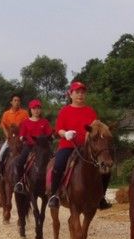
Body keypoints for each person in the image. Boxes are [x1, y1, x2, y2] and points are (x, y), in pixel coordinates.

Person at [47, 81, 111, 209]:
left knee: (106, 168)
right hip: (68, 145)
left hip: (86, 147)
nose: (80, 95)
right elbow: (58, 129)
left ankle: (101, 197)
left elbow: (96, 129)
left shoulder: (90, 111)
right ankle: (54, 195)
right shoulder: (64, 111)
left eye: (82, 92)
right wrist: (66, 134)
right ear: (70, 94)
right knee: (58, 165)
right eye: (77, 92)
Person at [14, 99, 53, 194]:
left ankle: (53, 185)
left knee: (53, 162)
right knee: (20, 162)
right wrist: (23, 138)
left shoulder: (45, 122)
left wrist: (51, 137)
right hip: (29, 147)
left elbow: (49, 135)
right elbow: (21, 136)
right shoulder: (25, 122)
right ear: (30, 110)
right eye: (34, 108)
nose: (36, 110)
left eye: (38, 108)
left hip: (43, 148)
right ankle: (20, 182)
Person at [0, 94, 29, 184]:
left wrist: (22, 136)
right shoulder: (6, 114)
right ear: (11, 102)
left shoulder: (24, 113)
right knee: (0, 155)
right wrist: (8, 137)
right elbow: (3, 126)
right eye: (15, 100)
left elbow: (26, 125)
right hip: (10, 138)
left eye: (18, 101)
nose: (17, 102)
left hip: (21, 138)